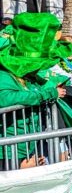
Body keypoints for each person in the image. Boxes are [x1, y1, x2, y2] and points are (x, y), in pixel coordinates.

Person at [0, 13, 67, 168]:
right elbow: (5, 98)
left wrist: (54, 89)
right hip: (9, 148)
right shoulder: (4, 75)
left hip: (26, 145)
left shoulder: (27, 77)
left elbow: (41, 87)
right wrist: (49, 94)